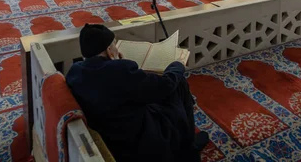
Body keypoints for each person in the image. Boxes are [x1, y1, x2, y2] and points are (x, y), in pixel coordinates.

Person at [66, 24, 209, 162]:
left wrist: (118, 65)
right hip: (140, 141)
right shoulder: (120, 71)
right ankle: (189, 150)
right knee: (178, 83)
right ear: (110, 50)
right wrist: (177, 64)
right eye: (115, 44)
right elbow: (165, 86)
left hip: (110, 136)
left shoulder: (74, 72)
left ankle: (188, 143)